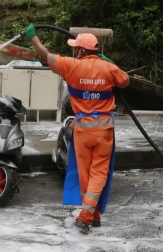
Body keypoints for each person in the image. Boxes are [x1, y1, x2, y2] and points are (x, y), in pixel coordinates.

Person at [22, 23, 130, 234]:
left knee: (85, 174)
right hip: (104, 131)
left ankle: (90, 215)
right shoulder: (108, 68)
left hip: (81, 131)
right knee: (99, 173)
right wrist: (109, 64)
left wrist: (33, 36)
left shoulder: (71, 65)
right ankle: (89, 215)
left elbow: (45, 55)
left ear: (81, 51)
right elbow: (125, 82)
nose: (75, 51)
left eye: (76, 48)